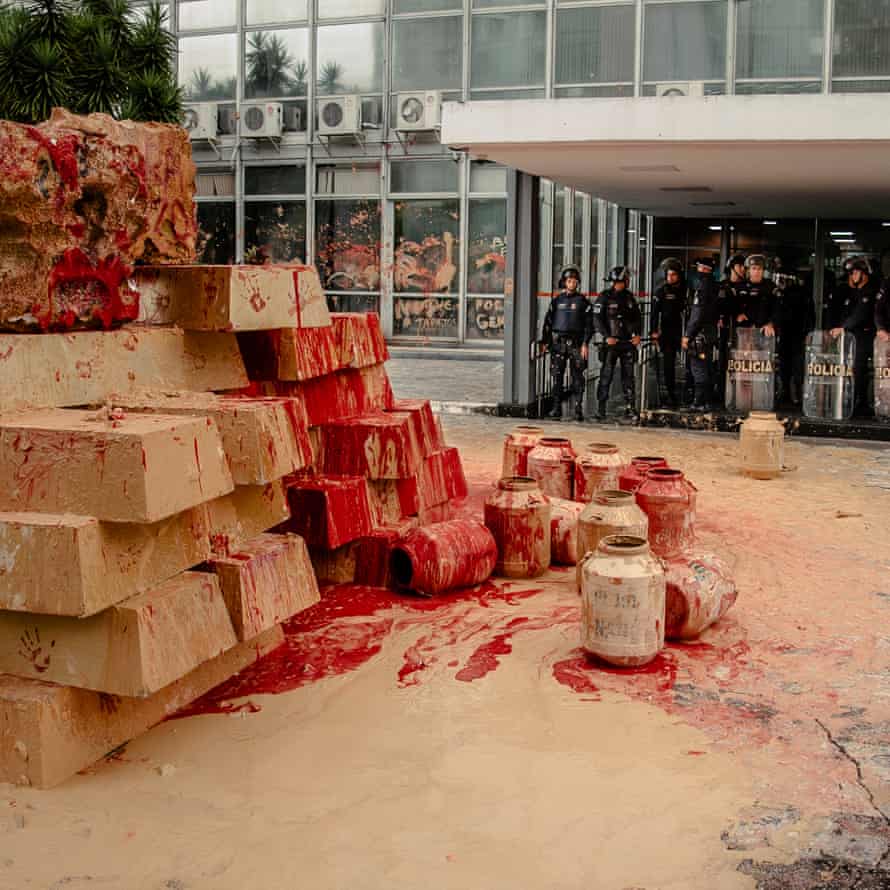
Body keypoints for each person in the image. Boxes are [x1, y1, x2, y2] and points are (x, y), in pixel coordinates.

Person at [541, 264, 592, 421]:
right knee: (557, 376)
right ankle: (556, 408)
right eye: (569, 281)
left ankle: (578, 408)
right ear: (564, 282)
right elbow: (548, 322)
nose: (572, 283)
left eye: (574, 281)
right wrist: (545, 342)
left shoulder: (583, 301)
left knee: (578, 377)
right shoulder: (557, 301)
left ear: (578, 283)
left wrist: (585, 344)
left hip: (577, 343)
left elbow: (589, 325)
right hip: (558, 344)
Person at [830, 257, 878, 417]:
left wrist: (843, 327)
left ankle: (861, 402)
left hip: (865, 335)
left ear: (864, 273)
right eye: (851, 273)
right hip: (852, 336)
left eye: (856, 272)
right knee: (851, 369)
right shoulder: (852, 292)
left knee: (859, 369)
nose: (853, 276)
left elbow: (860, 314)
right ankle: (853, 401)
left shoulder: (869, 292)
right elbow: (844, 312)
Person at [593, 265, 642, 420]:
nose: (627, 282)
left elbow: (637, 318)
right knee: (606, 375)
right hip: (611, 344)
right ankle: (601, 408)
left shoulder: (629, 297)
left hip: (627, 342)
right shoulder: (604, 297)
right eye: (625, 279)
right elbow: (597, 319)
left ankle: (630, 407)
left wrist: (637, 335)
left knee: (629, 377)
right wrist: (606, 336)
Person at [773, 267, 815, 407]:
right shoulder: (779, 294)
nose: (781, 282)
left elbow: (810, 316)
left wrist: (808, 333)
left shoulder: (803, 294)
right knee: (784, 366)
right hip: (785, 334)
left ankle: (798, 395)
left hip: (798, 335)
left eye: (783, 279)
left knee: (797, 367)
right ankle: (785, 393)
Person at [682, 257, 720, 412]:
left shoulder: (702, 286)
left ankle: (698, 403)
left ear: (704, 269)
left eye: (698, 268)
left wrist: (687, 335)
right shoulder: (715, 285)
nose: (697, 271)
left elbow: (697, 313)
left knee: (698, 368)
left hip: (700, 333)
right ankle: (707, 401)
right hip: (710, 332)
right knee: (707, 367)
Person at [650, 257, 687, 407]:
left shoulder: (686, 290)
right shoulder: (661, 291)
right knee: (668, 365)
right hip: (667, 333)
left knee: (690, 364)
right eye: (668, 275)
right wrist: (654, 332)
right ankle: (671, 394)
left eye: (674, 275)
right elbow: (654, 314)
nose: (670, 278)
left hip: (685, 332)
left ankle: (689, 394)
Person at [716, 254, 747, 405]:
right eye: (739, 266)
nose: (743, 269)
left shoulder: (746, 287)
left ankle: (739, 397)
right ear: (732, 268)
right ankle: (721, 395)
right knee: (723, 364)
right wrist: (719, 317)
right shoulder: (722, 286)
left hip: (742, 333)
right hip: (725, 332)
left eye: (743, 266)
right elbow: (717, 307)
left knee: (740, 365)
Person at [734, 255, 777, 335]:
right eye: (754, 268)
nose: (757, 272)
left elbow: (777, 308)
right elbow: (732, 306)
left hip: (764, 330)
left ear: (763, 270)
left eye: (759, 269)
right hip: (744, 330)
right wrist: (737, 315)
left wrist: (771, 323)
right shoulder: (740, 286)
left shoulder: (770, 287)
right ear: (749, 270)